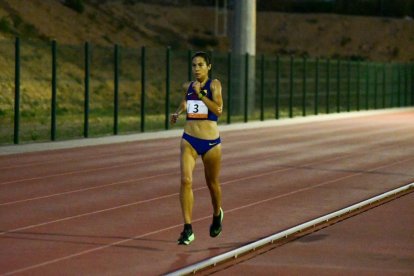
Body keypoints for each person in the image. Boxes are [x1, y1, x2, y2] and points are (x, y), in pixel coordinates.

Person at [170, 51, 224, 245]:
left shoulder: (214, 85)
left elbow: (218, 110)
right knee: (185, 180)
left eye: (200, 65)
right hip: (189, 139)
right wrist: (177, 112)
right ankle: (188, 229)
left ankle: (217, 214)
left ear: (208, 67)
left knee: (212, 183)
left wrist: (202, 95)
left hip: (210, 143)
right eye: (194, 65)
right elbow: (187, 101)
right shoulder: (189, 86)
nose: (196, 69)